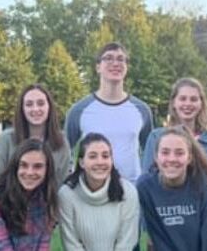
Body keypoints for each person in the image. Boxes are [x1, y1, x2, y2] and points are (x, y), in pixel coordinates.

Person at [65, 42, 153, 184]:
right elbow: (65, 152)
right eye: (108, 58)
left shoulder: (142, 110)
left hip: (131, 191)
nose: (115, 63)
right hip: (92, 192)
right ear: (98, 67)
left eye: (120, 59)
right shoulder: (79, 110)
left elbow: (150, 153)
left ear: (127, 67)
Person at [137, 126, 207, 251]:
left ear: (189, 158)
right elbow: (156, 237)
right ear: (156, 157)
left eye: (179, 153)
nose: (172, 159)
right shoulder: (145, 188)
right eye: (165, 152)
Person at [0, 139, 58, 250]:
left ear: (47, 169)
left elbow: (43, 244)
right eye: (24, 165)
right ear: (16, 166)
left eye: (38, 166)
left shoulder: (47, 197)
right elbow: (1, 247)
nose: (30, 172)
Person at [58, 133, 140, 250]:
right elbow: (71, 244)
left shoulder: (128, 192)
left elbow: (126, 243)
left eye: (105, 156)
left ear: (112, 160)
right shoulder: (66, 194)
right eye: (92, 156)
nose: (100, 162)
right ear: (81, 162)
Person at [0, 84, 71, 186]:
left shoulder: (61, 142)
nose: (35, 109)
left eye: (40, 103)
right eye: (29, 104)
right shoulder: (6, 140)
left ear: (49, 107)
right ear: (22, 108)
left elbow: (64, 186)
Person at [142, 77, 207, 173]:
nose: (188, 104)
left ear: (201, 104)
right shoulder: (156, 137)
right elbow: (146, 179)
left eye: (193, 99)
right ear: (174, 103)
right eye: (182, 99)